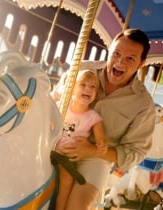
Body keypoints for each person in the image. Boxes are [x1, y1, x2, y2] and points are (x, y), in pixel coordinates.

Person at [53, 28, 155, 209]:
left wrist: (91, 150)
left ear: (141, 63)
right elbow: (53, 101)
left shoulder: (143, 104)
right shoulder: (82, 69)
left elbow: (135, 152)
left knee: (77, 206)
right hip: (58, 139)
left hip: (95, 159)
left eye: (130, 59)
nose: (119, 62)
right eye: (116, 54)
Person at [54, 70, 108, 210]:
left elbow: (100, 137)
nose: (87, 89)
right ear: (72, 88)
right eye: (83, 84)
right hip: (50, 149)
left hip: (66, 157)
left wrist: (101, 144)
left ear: (96, 94)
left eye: (93, 87)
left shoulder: (93, 117)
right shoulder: (61, 106)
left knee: (67, 179)